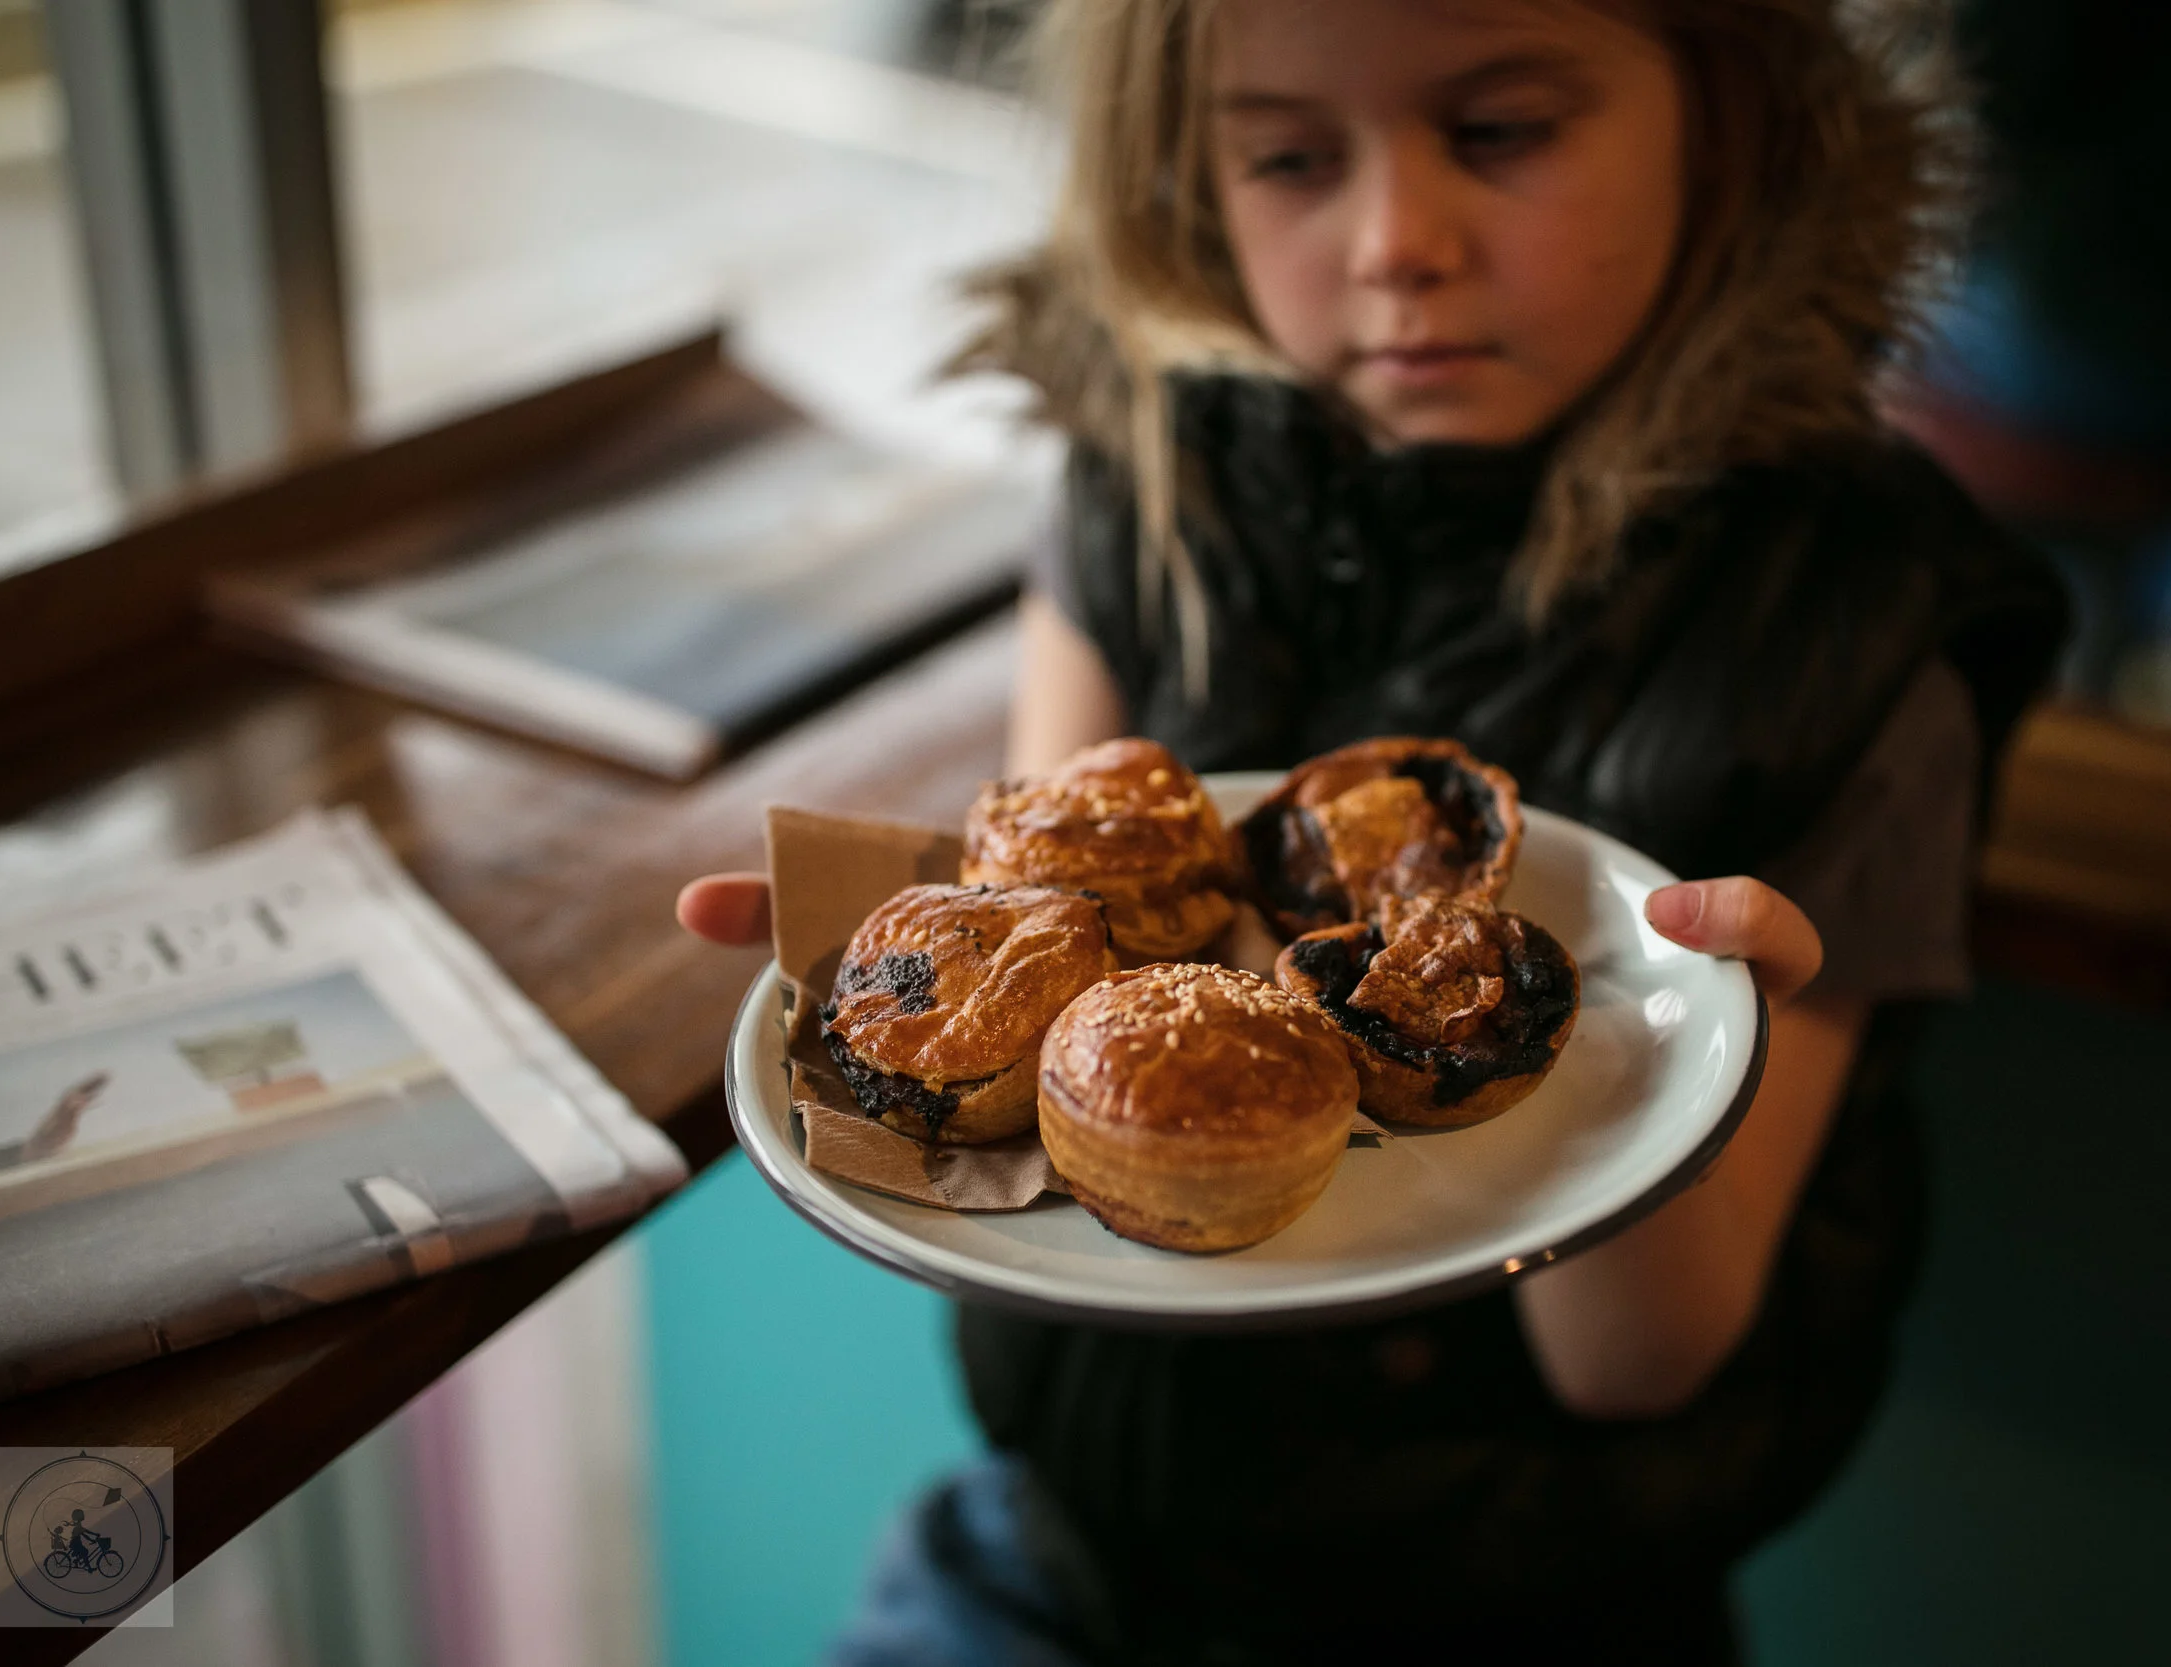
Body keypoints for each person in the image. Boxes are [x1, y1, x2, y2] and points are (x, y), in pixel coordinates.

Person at [679, 0, 2065, 1659]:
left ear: (1735, 111)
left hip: (1529, 1610)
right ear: (1180, 172)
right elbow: (1039, 1120)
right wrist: (901, 1031)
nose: (1398, 242)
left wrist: (1664, 1062)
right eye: (1287, 155)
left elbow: (1638, 1366)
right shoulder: (1144, 498)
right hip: (1054, 1558)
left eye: (1501, 131)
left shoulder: (1843, 638)